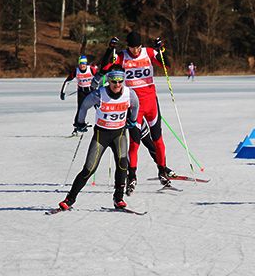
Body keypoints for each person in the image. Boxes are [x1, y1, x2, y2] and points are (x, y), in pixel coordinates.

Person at [97, 32, 175, 194]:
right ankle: (132, 176)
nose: (135, 50)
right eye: (132, 47)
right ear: (128, 46)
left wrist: (162, 50)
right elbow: (104, 68)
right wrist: (109, 49)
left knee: (158, 140)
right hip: (133, 104)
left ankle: (162, 171)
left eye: (138, 46)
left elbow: (166, 66)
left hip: (151, 102)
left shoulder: (149, 52)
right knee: (134, 142)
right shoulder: (122, 56)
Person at [58, 67, 139, 211]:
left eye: (120, 81)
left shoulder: (129, 94)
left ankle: (118, 198)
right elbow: (84, 106)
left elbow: (136, 105)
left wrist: (132, 121)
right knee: (89, 169)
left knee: (122, 165)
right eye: (114, 81)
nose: (117, 84)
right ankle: (70, 199)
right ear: (109, 81)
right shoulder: (99, 94)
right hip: (101, 135)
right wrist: (80, 123)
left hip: (119, 134)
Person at [60, 56, 97, 135]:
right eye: (80, 64)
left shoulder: (91, 69)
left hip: (92, 91)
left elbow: (100, 78)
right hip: (82, 92)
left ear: (86, 64)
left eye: (84, 64)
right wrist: (62, 92)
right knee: (80, 109)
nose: (82, 65)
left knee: (99, 108)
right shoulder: (76, 71)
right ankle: (77, 127)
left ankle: (104, 126)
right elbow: (67, 81)